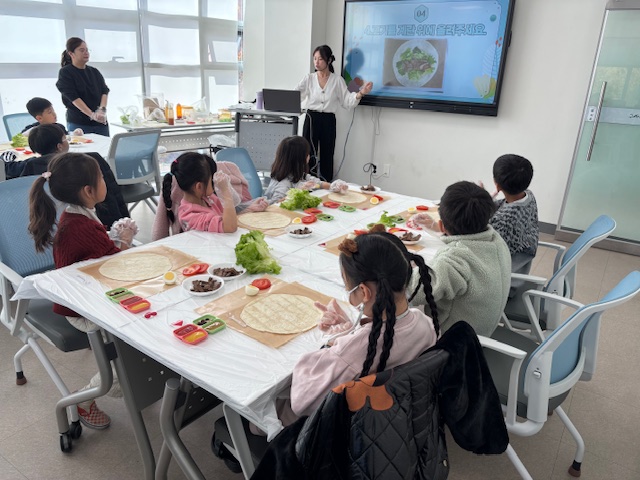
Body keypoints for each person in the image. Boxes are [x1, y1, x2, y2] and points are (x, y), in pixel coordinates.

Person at [28, 153, 138, 429]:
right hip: (80, 311)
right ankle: (86, 398)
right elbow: (115, 266)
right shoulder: (81, 226)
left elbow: (95, 256)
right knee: (134, 345)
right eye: (101, 177)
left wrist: (113, 239)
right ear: (88, 191)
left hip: (86, 297)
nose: (105, 181)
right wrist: (125, 241)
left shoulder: (76, 216)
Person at [290, 233, 440, 417]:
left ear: (363, 292)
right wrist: (353, 330)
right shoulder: (425, 322)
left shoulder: (355, 350)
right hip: (405, 414)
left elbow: (301, 404)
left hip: (354, 425)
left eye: (347, 287)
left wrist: (331, 342)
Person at [409, 181, 511, 336]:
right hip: (483, 326)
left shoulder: (456, 259)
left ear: (442, 226)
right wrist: (437, 227)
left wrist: (407, 267)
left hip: (456, 341)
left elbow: (413, 292)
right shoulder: (496, 239)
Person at [22, 123, 129, 229]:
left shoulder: (31, 167)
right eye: (65, 139)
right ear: (59, 146)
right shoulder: (89, 161)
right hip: (103, 223)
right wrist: (124, 220)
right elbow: (114, 192)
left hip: (50, 226)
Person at [296, 45, 373, 182]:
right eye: (315, 59)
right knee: (308, 153)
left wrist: (361, 93)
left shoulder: (337, 80)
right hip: (311, 118)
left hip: (328, 120)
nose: (316, 62)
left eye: (320, 59)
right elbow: (295, 96)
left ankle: (326, 185)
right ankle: (307, 184)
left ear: (329, 60)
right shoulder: (309, 78)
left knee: (327, 154)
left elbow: (347, 101)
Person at [161, 152, 238, 233]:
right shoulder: (189, 216)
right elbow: (229, 227)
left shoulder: (208, 198)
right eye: (211, 181)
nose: (214, 183)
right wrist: (225, 191)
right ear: (199, 187)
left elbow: (231, 213)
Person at [488, 154, 539, 274]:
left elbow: (487, 253)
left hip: (503, 274)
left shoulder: (503, 221)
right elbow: (502, 206)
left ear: (497, 185)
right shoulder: (528, 196)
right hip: (520, 260)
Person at [264, 135, 349, 204]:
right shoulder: (284, 182)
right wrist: (298, 191)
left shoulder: (299, 175)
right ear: (300, 158)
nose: (309, 156)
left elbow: (319, 183)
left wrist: (334, 186)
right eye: (307, 153)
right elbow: (274, 204)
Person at [56, 37, 110, 136]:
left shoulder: (94, 71)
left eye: (87, 50)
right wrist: (91, 114)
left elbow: (104, 91)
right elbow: (73, 97)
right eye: (81, 50)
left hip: (100, 122)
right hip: (79, 122)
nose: (86, 53)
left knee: (106, 145)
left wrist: (101, 110)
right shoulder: (66, 72)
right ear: (71, 53)